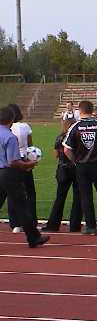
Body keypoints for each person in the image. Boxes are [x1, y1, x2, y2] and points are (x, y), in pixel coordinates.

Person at [0, 106, 49, 248]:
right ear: (11, 120)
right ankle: (33, 237)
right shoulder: (10, 137)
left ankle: (34, 237)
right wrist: (29, 164)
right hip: (8, 174)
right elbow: (13, 162)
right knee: (21, 205)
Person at [63, 100, 97, 235]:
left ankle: (91, 227)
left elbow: (66, 149)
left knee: (86, 196)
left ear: (80, 110)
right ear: (92, 110)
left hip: (82, 166)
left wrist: (75, 161)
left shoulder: (75, 126)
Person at [41, 119, 83, 232]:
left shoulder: (59, 137)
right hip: (75, 168)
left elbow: (56, 154)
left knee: (60, 197)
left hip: (63, 168)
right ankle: (75, 225)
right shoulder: (76, 137)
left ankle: (53, 225)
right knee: (78, 197)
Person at [2, 104, 38, 232]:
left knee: (12, 196)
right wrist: (30, 163)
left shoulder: (5, 131)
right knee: (28, 194)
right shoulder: (23, 127)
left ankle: (16, 224)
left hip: (6, 164)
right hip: (20, 161)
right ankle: (32, 225)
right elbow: (29, 146)